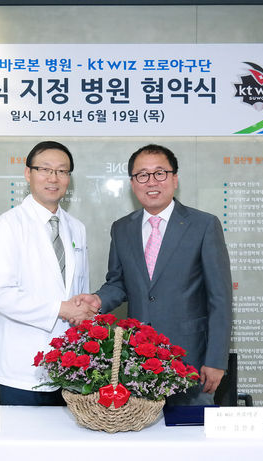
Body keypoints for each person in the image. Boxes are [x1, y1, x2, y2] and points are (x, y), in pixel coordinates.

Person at [76, 144, 232, 406]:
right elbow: (118, 283)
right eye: (142, 175)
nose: (151, 181)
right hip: (136, 360)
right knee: (140, 430)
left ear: (174, 179)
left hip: (190, 360)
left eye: (160, 173)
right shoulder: (122, 228)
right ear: (132, 183)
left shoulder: (204, 225)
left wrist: (216, 360)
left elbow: (220, 298)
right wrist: (98, 300)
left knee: (191, 429)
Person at [0, 141, 98, 406]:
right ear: (28, 173)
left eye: (62, 171)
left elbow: (79, 290)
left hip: (71, 367)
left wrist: (84, 309)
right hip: (22, 368)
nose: (53, 178)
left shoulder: (76, 228)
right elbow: (3, 296)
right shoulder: (7, 225)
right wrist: (61, 308)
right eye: (45, 169)